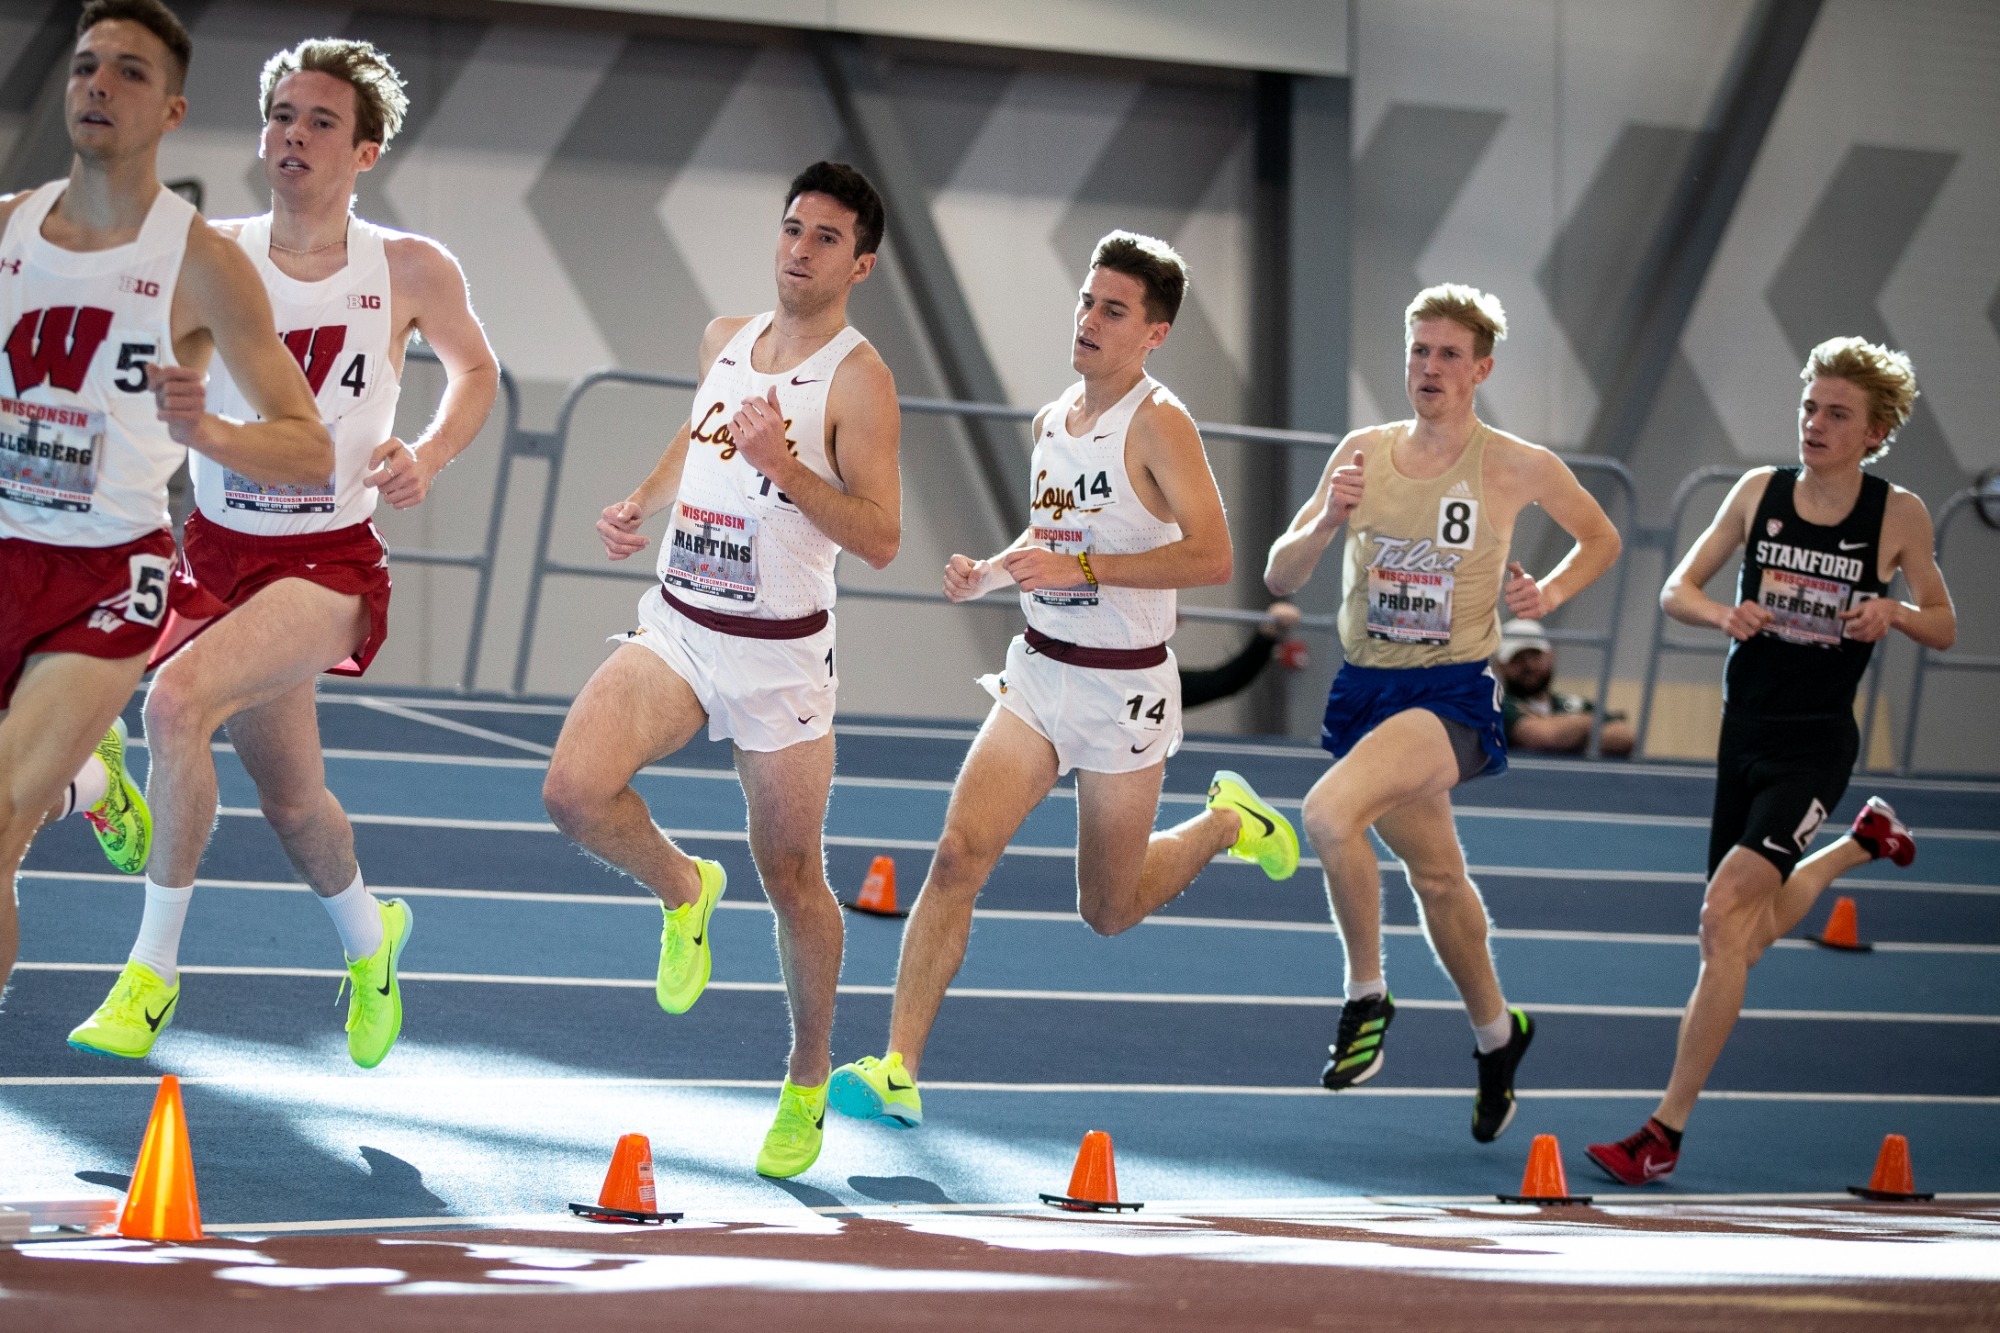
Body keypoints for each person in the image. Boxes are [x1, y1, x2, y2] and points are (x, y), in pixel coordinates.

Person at [67, 38, 498, 1067]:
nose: (293, 137)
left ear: (364, 151)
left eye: (319, 123)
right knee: (296, 805)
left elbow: (475, 368)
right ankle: (370, 941)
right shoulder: (212, 253)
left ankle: (153, 973)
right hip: (218, 549)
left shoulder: (406, 268)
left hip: (330, 559)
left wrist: (427, 452)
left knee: (174, 702)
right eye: (281, 118)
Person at [827, 231, 1299, 1133]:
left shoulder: (1162, 423)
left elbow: (1211, 555)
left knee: (1107, 910)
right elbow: (1050, 543)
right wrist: (994, 573)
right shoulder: (1051, 423)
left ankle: (1233, 821)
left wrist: (1083, 571)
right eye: (1086, 301)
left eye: (1112, 310)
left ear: (1153, 332)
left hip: (1126, 692)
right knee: (957, 855)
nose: (1087, 320)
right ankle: (898, 1069)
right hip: (1040, 675)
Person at [540, 162, 900, 1179]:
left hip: (779, 659)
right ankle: (682, 887)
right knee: (572, 790)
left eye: (826, 238)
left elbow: (880, 538)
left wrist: (786, 469)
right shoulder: (723, 338)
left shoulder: (858, 380)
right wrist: (643, 500)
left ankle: (804, 1078)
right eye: (792, 227)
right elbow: (697, 435)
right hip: (682, 624)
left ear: (857, 263)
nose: (799, 247)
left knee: (791, 879)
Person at [0, 0, 332, 1002]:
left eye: (129, 72)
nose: (99, 84)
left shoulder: (202, 263)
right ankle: (91, 783)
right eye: (86, 66)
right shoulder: (9, 227)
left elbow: (308, 445)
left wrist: (208, 434)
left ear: (173, 108)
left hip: (104, 573)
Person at [1586, 337, 1954, 1186]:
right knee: (1745, 938)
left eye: (1836, 413)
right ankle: (1860, 841)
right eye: (1809, 407)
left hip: (1815, 743)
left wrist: (1892, 613)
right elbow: (1674, 588)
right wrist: (1725, 614)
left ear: (1874, 431)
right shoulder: (1761, 493)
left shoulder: (1898, 515)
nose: (1814, 424)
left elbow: (1944, 621)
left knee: (1722, 918)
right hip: (1741, 733)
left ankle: (1662, 1132)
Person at [1265, 284, 1621, 1141]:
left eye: (1448, 355)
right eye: (1419, 351)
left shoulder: (1514, 464)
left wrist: (1549, 591)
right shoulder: (1363, 452)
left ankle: (1365, 994)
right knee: (1437, 878)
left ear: (1481, 369)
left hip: (1451, 693)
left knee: (1327, 813)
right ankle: (1500, 1034)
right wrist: (1326, 524)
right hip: (1366, 688)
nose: (1429, 368)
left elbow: (1601, 536)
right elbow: (1280, 574)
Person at [1495, 618, 1633, 756]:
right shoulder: (1497, 706)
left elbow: (1626, 737)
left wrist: (1560, 731)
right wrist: (1592, 726)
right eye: (1517, 659)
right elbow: (1544, 738)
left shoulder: (1575, 704)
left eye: (1535, 655)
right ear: (1500, 666)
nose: (1529, 665)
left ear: (1550, 656)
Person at [1180, 601, 1302, 710]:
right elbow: (1224, 682)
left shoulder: (1167, 678)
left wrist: (1268, 634)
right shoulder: (1165, 682)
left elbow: (1225, 681)